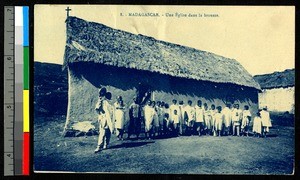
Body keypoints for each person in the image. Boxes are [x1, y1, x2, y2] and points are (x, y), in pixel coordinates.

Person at [94, 89, 113, 153]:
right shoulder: (103, 102)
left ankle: (106, 144)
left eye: (110, 96)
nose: (109, 97)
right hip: (104, 119)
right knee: (102, 133)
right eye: (108, 96)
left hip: (110, 120)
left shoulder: (111, 103)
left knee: (108, 133)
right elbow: (97, 108)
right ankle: (99, 146)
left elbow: (112, 112)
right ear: (105, 96)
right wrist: (100, 112)